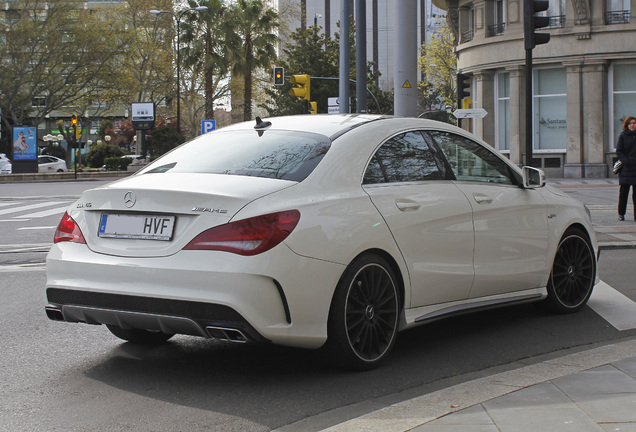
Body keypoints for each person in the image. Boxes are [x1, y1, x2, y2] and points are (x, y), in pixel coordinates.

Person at [616, 116, 636, 221]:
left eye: (634, 123)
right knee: (624, 193)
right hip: (626, 169)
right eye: (630, 123)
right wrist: (625, 161)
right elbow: (619, 151)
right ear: (627, 125)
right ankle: (621, 213)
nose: (632, 125)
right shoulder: (623, 136)